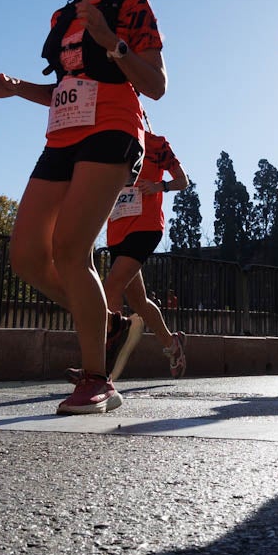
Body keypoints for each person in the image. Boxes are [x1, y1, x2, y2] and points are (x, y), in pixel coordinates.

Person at [0, 0, 164, 415]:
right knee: (25, 255)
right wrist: (18, 87)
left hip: (114, 126)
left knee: (69, 246)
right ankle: (107, 324)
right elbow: (64, 87)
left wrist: (113, 40)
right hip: (63, 134)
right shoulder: (62, 16)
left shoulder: (132, 5)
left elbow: (155, 83)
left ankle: (97, 378)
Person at [100, 128, 189, 381]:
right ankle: (173, 345)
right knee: (138, 301)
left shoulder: (156, 144)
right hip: (117, 230)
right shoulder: (110, 145)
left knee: (111, 287)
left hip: (145, 226)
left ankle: (102, 368)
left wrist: (160, 185)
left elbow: (183, 181)